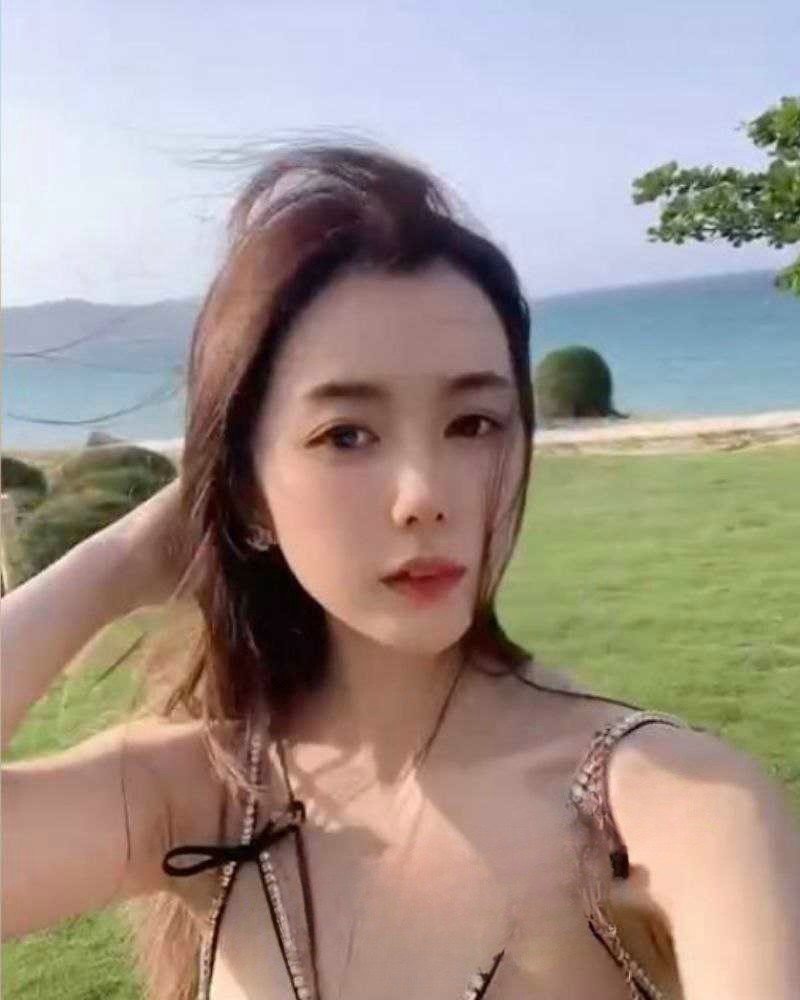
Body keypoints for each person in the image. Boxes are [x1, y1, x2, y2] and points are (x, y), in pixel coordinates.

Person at [2, 143, 798, 1000]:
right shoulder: (203, 794)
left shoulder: (665, 809)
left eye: (474, 424)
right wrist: (119, 560)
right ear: (248, 491)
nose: (423, 495)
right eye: (346, 435)